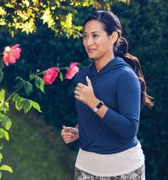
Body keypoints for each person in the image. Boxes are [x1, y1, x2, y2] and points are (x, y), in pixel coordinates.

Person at [61, 10, 154, 180]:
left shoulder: (125, 76)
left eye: (95, 36)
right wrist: (78, 130)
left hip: (124, 170)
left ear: (113, 37)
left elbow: (129, 130)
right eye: (85, 36)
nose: (88, 42)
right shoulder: (82, 76)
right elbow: (91, 118)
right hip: (86, 168)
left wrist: (95, 103)